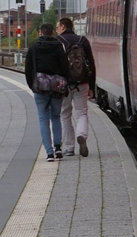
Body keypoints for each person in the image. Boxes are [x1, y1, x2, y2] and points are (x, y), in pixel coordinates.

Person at [24, 22, 69, 161]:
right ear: (52, 33)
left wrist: (33, 86)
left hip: (40, 87)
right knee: (56, 117)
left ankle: (49, 153)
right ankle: (58, 148)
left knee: (43, 119)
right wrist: (65, 85)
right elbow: (65, 67)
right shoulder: (58, 46)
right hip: (56, 87)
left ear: (40, 33)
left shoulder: (34, 47)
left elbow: (28, 69)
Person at [57, 16, 96, 158]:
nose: (57, 30)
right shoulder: (83, 40)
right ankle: (82, 135)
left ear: (62, 26)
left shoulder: (58, 41)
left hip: (64, 84)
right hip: (83, 82)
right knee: (82, 113)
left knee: (65, 114)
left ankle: (68, 147)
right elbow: (91, 64)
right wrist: (92, 86)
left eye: (57, 27)